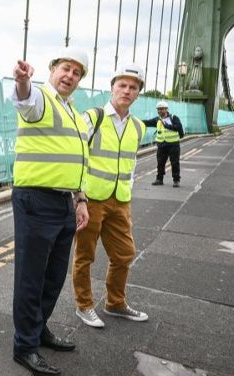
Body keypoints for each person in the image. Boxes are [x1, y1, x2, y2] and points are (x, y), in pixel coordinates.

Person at [11, 48, 90, 376]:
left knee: (54, 276)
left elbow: (80, 159)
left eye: (77, 73)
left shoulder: (74, 112)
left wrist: (81, 198)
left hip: (64, 203)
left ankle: (38, 329)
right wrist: (23, 82)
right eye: (65, 68)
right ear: (52, 69)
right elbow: (25, 101)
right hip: (36, 200)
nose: (70, 76)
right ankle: (24, 346)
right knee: (31, 276)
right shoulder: (41, 97)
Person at [72, 64, 149, 329]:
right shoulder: (93, 118)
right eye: (122, 85)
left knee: (125, 254)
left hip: (121, 200)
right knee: (85, 256)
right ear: (112, 88)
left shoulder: (138, 127)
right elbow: (75, 154)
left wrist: (126, 191)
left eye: (133, 87)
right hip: (91, 199)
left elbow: (131, 163)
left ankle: (115, 303)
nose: (127, 91)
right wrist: (78, 195)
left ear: (138, 93)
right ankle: (84, 305)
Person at [144, 101, 185, 187]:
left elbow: (178, 128)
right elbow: (147, 122)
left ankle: (176, 180)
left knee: (174, 163)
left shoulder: (174, 118)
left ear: (166, 109)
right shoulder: (157, 119)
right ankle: (159, 179)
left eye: (162, 109)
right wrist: (134, 121)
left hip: (173, 144)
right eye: (158, 109)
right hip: (162, 145)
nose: (160, 111)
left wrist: (168, 126)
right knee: (160, 163)